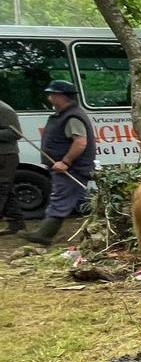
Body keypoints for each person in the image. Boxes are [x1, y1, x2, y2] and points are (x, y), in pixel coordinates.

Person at [21, 81, 96, 246]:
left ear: (63, 96)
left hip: (71, 168)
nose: (49, 97)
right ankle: (96, 232)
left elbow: (80, 142)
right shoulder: (64, 114)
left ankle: (45, 234)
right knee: (81, 201)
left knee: (60, 199)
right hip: (67, 167)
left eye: (53, 94)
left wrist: (65, 162)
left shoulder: (72, 116)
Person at [0, 99, 25, 236]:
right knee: (7, 190)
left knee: (1, 188)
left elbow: (16, 133)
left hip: (5, 156)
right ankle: (16, 223)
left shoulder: (4, 109)